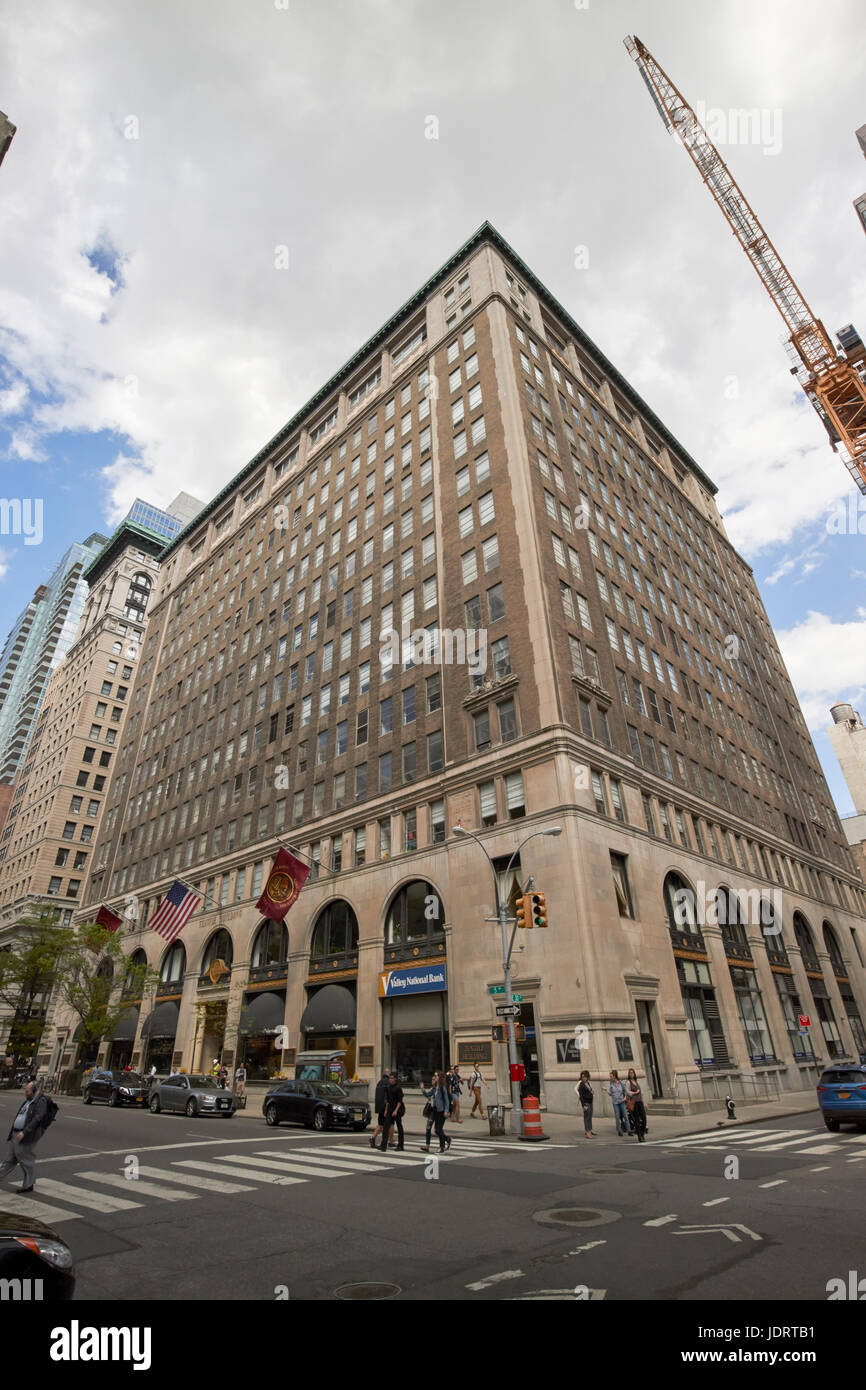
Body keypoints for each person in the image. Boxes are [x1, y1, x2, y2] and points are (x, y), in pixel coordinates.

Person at [0, 1081, 51, 1193]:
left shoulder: (40, 1101)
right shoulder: (28, 1101)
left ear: (34, 1091)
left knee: (26, 1161)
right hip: (16, 1134)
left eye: (27, 1091)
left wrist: (25, 1132)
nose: (25, 1093)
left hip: (25, 1135)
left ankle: (29, 1184)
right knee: (10, 1160)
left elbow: (38, 1119)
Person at [420, 1071, 451, 1153]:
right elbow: (428, 1095)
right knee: (437, 1129)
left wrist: (446, 1110)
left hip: (441, 1111)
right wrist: (422, 1089)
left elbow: (446, 1100)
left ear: (439, 1078)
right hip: (435, 1110)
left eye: (436, 1076)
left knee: (439, 1129)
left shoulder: (442, 1087)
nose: (435, 1077)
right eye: (434, 1076)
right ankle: (447, 1139)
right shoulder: (434, 1088)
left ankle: (442, 1147)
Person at [380, 1072, 405, 1151]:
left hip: (397, 1110)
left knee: (399, 1126)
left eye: (391, 1078)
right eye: (389, 1078)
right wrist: (386, 1110)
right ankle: (383, 1145)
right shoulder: (388, 1087)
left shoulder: (398, 1088)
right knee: (386, 1126)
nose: (390, 1080)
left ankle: (401, 1145)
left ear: (395, 1079)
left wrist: (396, 1111)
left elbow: (399, 1101)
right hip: (390, 1109)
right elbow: (388, 1100)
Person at [625, 1069, 647, 1142]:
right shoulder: (628, 1082)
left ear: (634, 1074)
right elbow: (627, 1092)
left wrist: (644, 1102)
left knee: (644, 1118)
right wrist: (634, 1093)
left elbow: (641, 1093)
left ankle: (642, 1133)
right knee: (637, 1120)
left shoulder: (636, 1082)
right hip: (634, 1103)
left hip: (640, 1102)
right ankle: (639, 1136)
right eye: (630, 1073)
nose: (631, 1074)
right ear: (628, 1074)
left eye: (632, 1073)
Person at [370, 1071, 390, 1149]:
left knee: (380, 1124)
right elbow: (387, 1097)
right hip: (385, 1107)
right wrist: (386, 1108)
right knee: (387, 1125)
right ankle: (385, 1142)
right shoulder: (387, 1083)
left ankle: (373, 1138)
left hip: (379, 1107)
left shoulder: (379, 1082)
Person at [608, 1070, 629, 1136]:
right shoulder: (611, 1083)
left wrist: (625, 1097)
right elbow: (611, 1094)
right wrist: (606, 1090)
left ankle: (629, 1130)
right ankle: (619, 1131)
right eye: (610, 1076)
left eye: (611, 1076)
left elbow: (625, 1090)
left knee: (625, 1116)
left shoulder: (620, 1083)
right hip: (615, 1103)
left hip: (622, 1102)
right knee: (617, 1117)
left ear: (614, 1076)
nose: (610, 1078)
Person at [577, 1070, 595, 1137]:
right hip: (586, 1103)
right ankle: (587, 1133)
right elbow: (581, 1096)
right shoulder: (581, 1085)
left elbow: (590, 1091)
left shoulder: (587, 1083)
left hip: (590, 1102)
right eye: (582, 1077)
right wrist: (583, 1105)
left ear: (587, 1077)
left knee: (589, 1117)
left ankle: (590, 1131)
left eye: (585, 1077)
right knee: (587, 1118)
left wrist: (592, 1092)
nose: (583, 1078)